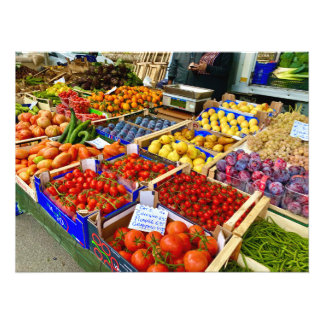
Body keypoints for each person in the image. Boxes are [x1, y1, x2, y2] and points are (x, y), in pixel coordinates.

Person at [168, 52, 233, 101]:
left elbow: (225, 71)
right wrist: (195, 68)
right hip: (200, 91)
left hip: (213, 92)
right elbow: (201, 69)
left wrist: (207, 68)